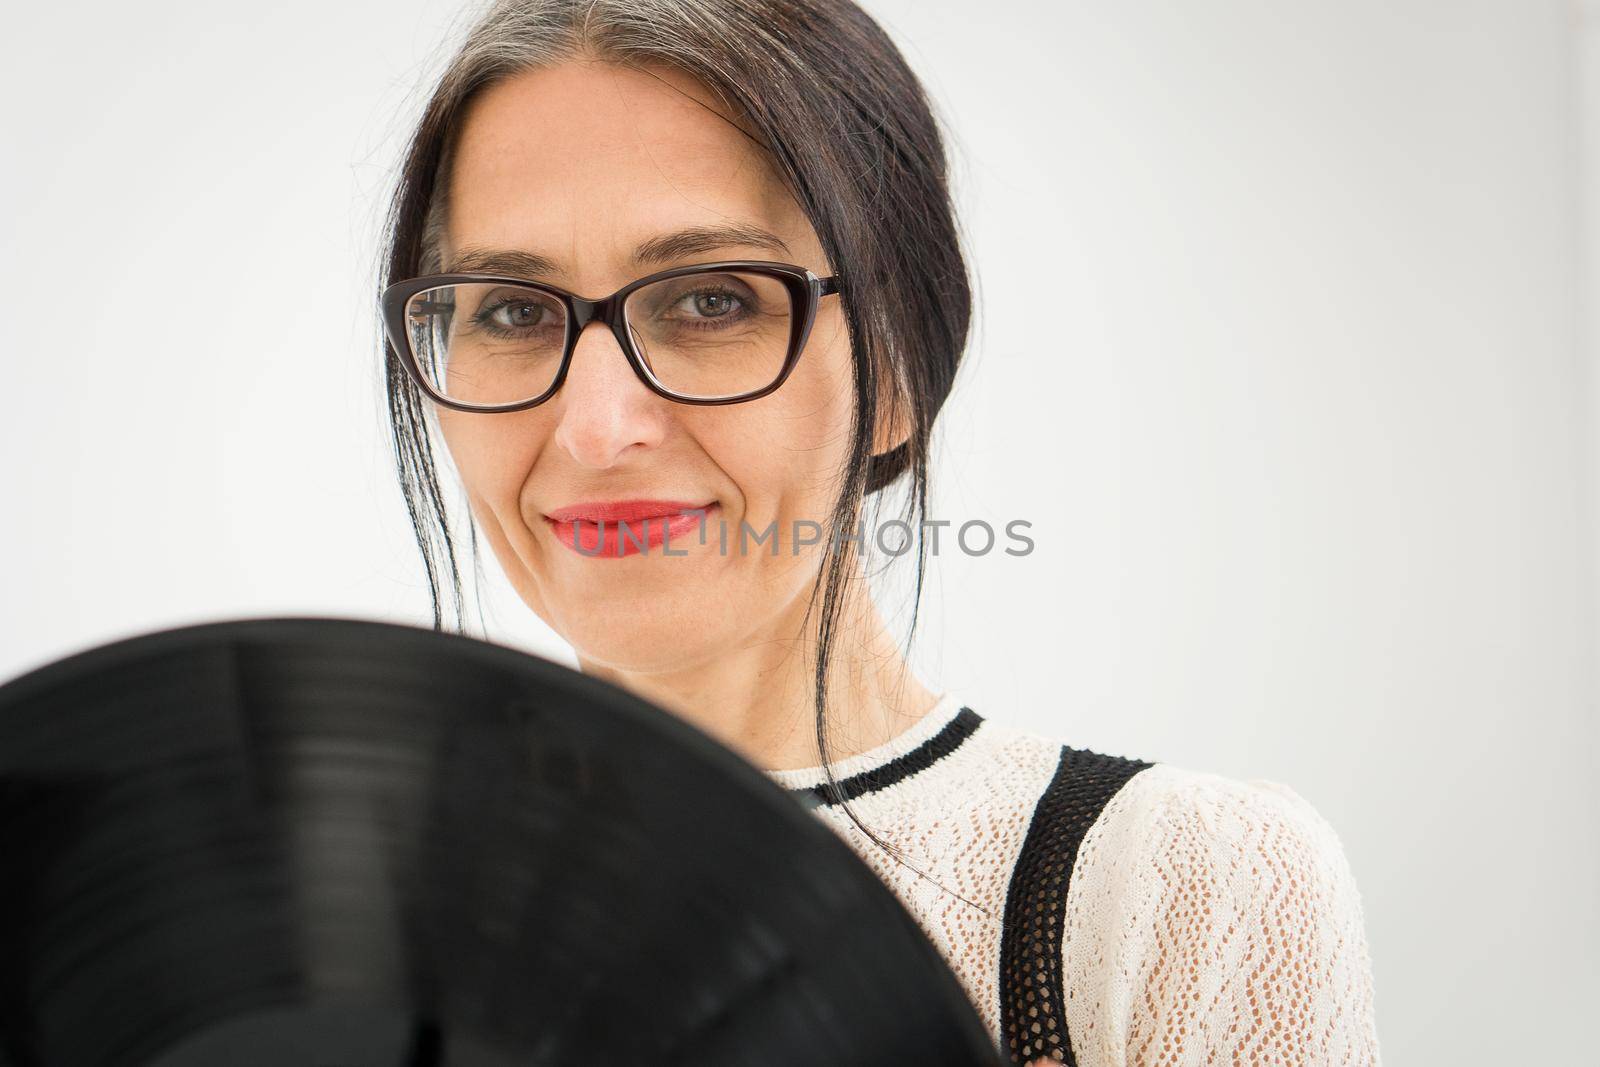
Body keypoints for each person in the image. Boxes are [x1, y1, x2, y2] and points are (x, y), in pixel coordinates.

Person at [375, 1, 1382, 1062]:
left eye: (713, 299)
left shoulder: (1181, 885)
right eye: (512, 311)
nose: (595, 427)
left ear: (899, 370)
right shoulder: (334, 896)